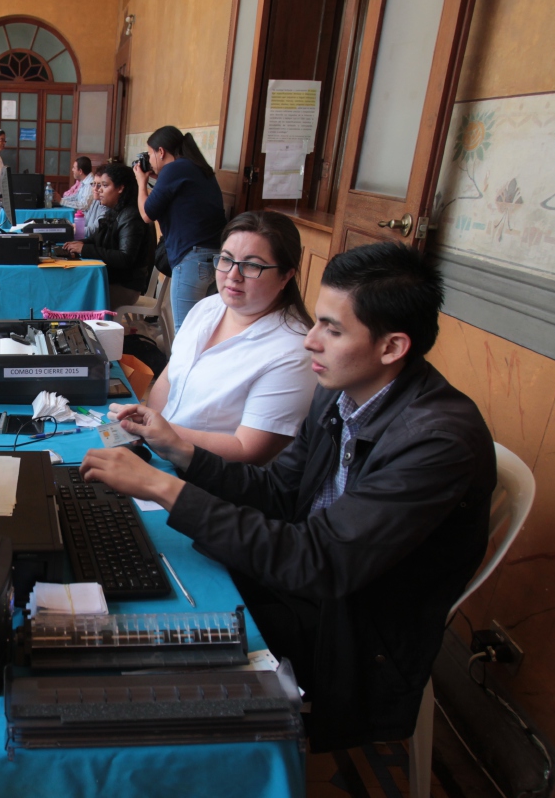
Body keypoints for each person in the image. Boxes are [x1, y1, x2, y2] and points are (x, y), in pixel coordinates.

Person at [80, 242, 496, 751]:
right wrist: (180, 450)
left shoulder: (438, 441)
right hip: (300, 583)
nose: (310, 343)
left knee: (145, 659)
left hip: (352, 633)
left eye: (333, 330)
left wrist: (163, 487)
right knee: (125, 583)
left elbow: (318, 561)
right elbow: (278, 490)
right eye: (317, 322)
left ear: (392, 348)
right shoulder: (341, 391)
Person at [110, 211, 316, 464]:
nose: (233, 275)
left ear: (286, 275)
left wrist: (161, 432)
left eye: (252, 265)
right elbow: (169, 378)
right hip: (163, 453)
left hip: (213, 480)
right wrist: (147, 424)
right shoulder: (208, 308)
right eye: (226, 259)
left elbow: (248, 450)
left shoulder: (293, 352)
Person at [135, 125, 226, 333]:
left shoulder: (174, 169)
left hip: (191, 259)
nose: (149, 160)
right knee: (205, 332)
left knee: (184, 333)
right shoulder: (198, 168)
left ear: (161, 152)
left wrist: (141, 183)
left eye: (150, 154)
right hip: (216, 258)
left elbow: (147, 214)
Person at [62, 163, 155, 308]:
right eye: (97, 185)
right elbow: (98, 238)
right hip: (112, 279)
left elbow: (125, 258)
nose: (98, 190)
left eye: (104, 186)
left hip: (125, 287)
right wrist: (78, 245)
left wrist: (84, 249)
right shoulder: (115, 210)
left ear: (120, 188)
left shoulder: (131, 216)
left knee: (72, 295)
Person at [83, 163, 108, 236]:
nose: (95, 188)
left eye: (100, 185)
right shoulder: (96, 201)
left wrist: (72, 230)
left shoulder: (107, 207)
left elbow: (93, 231)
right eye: (93, 184)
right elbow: (85, 221)